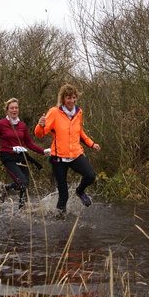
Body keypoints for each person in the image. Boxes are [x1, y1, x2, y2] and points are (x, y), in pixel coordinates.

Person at [0, 98, 50, 208]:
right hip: (8, 157)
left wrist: (43, 151)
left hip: (21, 157)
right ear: (7, 110)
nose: (14, 110)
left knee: (25, 186)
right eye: (12, 108)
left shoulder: (22, 125)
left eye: (16, 108)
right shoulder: (1, 124)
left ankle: (22, 209)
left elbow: (29, 143)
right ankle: (5, 188)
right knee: (21, 183)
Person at [35, 84, 101, 215]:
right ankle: (61, 224)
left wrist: (91, 144)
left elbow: (80, 132)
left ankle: (80, 191)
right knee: (63, 196)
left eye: (74, 97)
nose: (72, 101)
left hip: (76, 154)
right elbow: (40, 133)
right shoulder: (54, 112)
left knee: (90, 176)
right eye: (68, 98)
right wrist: (40, 125)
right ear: (63, 99)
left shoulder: (79, 112)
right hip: (58, 158)